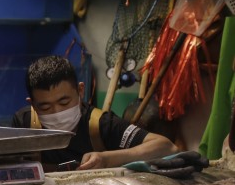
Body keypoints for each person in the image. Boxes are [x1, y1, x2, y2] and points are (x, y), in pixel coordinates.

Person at [13, 55, 178, 171]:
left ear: (80, 90)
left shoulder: (101, 124)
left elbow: (166, 147)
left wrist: (106, 158)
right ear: (32, 104)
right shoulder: (24, 124)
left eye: (64, 102)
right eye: (45, 107)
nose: (57, 112)